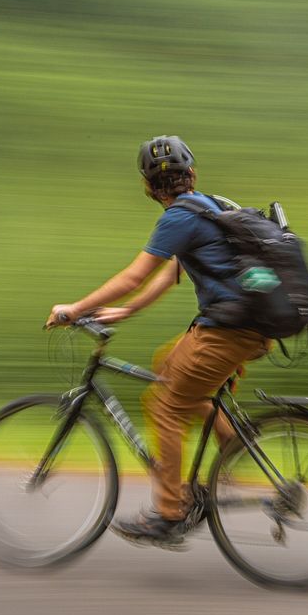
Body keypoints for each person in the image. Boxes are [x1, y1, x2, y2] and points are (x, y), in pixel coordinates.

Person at [46, 135, 270, 547]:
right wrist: (128, 311)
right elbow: (170, 274)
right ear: (192, 175)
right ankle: (233, 441)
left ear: (148, 187)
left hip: (228, 331)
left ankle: (170, 513)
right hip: (252, 326)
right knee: (168, 365)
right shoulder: (211, 205)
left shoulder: (178, 219)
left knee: (163, 404)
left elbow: (135, 276)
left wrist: (75, 309)